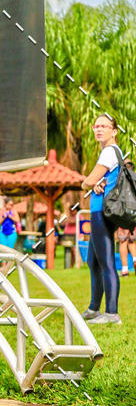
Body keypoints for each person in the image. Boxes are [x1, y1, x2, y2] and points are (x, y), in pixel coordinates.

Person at [81, 115, 122, 324]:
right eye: (96, 126)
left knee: (105, 262)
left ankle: (112, 313)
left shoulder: (108, 151)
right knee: (93, 261)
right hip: (100, 209)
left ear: (114, 131)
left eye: (104, 126)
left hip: (102, 212)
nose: (98, 130)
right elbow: (100, 181)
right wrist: (97, 183)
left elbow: (88, 180)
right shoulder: (112, 153)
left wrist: (87, 184)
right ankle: (93, 309)